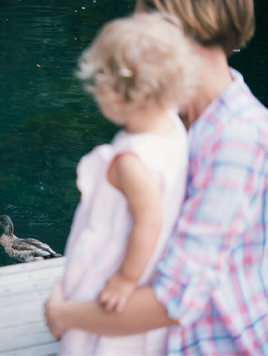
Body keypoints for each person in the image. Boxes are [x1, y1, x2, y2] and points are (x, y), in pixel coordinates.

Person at [45, 0, 268, 355]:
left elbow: (174, 303)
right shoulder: (171, 117)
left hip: (215, 343)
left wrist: (65, 315)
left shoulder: (236, 137)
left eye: (138, 14)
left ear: (171, 24)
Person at [56, 13, 198, 355]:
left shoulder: (132, 160)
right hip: (153, 262)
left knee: (100, 341)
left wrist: (123, 280)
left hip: (116, 260)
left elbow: (149, 222)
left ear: (116, 94)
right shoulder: (174, 127)